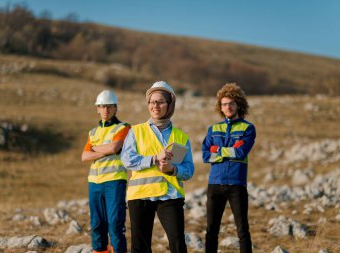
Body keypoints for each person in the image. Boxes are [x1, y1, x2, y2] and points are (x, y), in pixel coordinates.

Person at [121, 81, 194, 253]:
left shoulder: (181, 137)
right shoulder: (136, 131)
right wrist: (154, 158)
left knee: (178, 244)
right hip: (141, 195)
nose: (155, 105)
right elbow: (127, 160)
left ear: (170, 105)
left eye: (160, 101)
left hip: (170, 195)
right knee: (140, 248)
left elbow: (189, 169)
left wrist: (172, 170)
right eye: (152, 102)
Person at [202, 83, 255, 253]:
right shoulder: (213, 129)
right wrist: (230, 150)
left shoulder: (248, 128)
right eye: (224, 104)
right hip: (214, 184)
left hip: (236, 184)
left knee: (242, 230)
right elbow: (205, 155)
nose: (228, 107)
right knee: (211, 231)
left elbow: (240, 152)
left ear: (238, 104)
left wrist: (217, 150)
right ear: (220, 107)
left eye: (231, 103)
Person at [81, 90, 130, 253]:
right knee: (96, 225)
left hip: (115, 181)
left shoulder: (124, 127)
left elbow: (115, 147)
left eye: (109, 106)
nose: (105, 110)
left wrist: (95, 149)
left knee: (115, 224)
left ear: (115, 108)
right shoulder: (93, 132)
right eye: (101, 106)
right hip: (94, 183)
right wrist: (104, 150)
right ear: (97, 108)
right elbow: (84, 156)